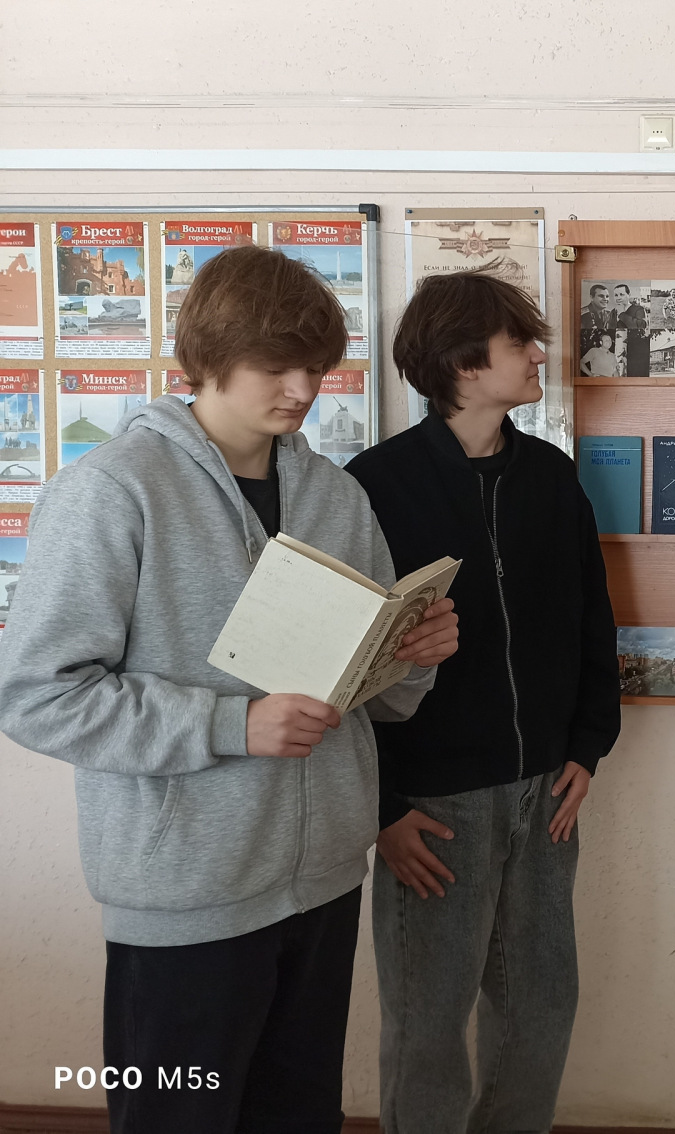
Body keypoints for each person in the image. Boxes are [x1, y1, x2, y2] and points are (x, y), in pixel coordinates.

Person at [0, 244, 459, 1133]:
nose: (303, 388)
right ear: (208, 356)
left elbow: (372, 698)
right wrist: (230, 724)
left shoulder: (334, 495)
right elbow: (37, 695)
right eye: (276, 365)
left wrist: (411, 658)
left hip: (325, 880)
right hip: (185, 896)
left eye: (316, 367)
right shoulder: (113, 490)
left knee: (300, 1118)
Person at [346, 267, 621, 1134]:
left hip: (547, 794)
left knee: (540, 1012)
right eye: (518, 342)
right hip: (432, 808)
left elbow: (592, 617)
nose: (539, 354)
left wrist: (587, 747)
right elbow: (342, 668)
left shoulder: (551, 476)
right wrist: (385, 809)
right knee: (428, 1025)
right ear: (465, 363)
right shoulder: (374, 485)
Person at [613, 283, 650, 377]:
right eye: (616, 295)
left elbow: (640, 326)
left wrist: (622, 314)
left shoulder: (638, 309)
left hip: (635, 348)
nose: (618, 297)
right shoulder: (613, 311)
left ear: (628, 295)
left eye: (621, 294)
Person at [579, 282, 614, 352]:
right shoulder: (581, 314)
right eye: (601, 296)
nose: (605, 299)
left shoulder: (610, 314)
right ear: (592, 297)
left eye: (607, 296)